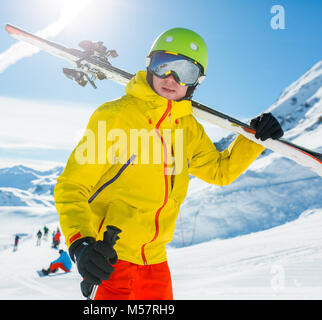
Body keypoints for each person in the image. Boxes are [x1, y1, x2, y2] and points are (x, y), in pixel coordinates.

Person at [54, 27, 284, 300]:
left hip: (156, 262)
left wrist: (254, 140)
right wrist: (81, 243)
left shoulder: (188, 129)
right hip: (110, 257)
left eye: (185, 72)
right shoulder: (115, 117)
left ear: (196, 82)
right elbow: (72, 185)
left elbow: (219, 172)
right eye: (164, 66)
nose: (171, 79)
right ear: (150, 65)